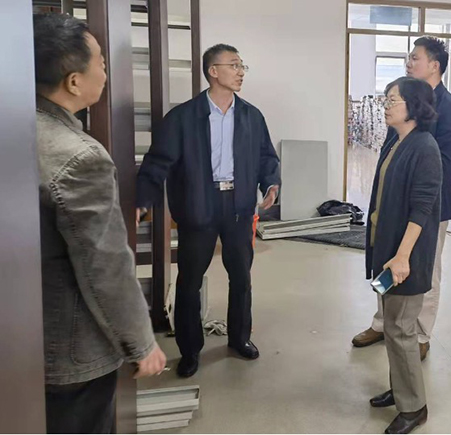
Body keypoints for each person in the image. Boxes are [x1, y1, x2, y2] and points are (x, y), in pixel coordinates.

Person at [34, 14, 166, 434]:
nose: (106, 74)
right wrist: (141, 342)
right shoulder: (78, 157)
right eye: (102, 63)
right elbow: (105, 265)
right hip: (68, 347)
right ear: (74, 81)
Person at [136, 44, 281, 378]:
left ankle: (239, 339)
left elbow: (266, 157)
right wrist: (143, 201)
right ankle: (190, 350)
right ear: (213, 71)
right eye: (234, 65)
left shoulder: (251, 116)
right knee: (189, 281)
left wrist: (271, 184)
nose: (241, 72)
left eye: (242, 66)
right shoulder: (182, 118)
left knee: (241, 277)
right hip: (198, 205)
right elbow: (157, 163)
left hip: (239, 206)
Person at [353, 37, 451, 361]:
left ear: (435, 65)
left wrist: (410, 193)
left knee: (424, 269)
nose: (409, 62)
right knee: (387, 258)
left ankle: (420, 333)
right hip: (392, 203)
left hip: (426, 206)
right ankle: (383, 323)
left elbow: (444, 163)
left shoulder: (449, 108)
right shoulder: (403, 102)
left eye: (415, 58)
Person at [366, 77, 442, 434]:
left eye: (393, 100)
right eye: (386, 100)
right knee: (393, 326)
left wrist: (402, 256)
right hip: (390, 250)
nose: (386, 106)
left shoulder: (425, 147)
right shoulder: (397, 142)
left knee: (400, 329)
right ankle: (400, 388)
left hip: (406, 254)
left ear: (414, 105)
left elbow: (422, 208)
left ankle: (413, 406)